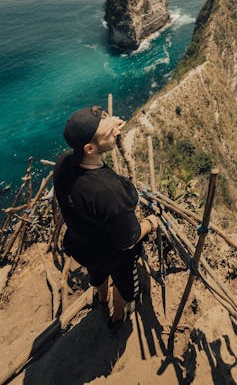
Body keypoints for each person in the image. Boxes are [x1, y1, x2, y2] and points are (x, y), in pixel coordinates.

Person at [53, 105, 159, 329]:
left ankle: (101, 300)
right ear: (90, 148)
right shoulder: (109, 192)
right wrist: (150, 224)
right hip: (113, 254)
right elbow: (129, 238)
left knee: (97, 273)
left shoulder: (63, 163)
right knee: (122, 283)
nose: (115, 130)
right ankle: (118, 316)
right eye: (108, 131)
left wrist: (109, 127)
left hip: (83, 245)